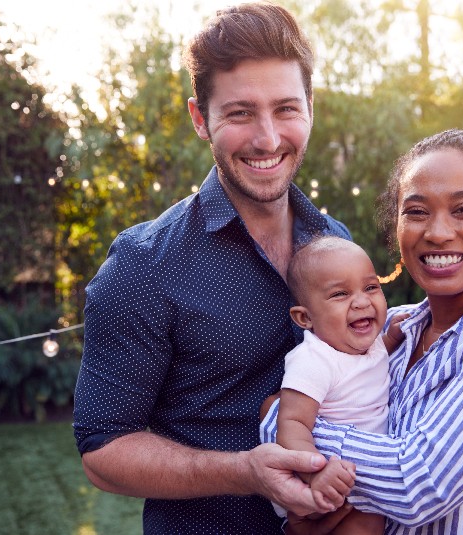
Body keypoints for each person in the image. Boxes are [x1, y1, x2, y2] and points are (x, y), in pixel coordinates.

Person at [73, 3, 354, 534]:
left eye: (286, 109)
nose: (268, 139)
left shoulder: (334, 241)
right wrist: (245, 472)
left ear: (311, 108)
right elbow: (102, 448)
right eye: (241, 113)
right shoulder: (141, 266)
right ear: (200, 119)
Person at [261, 128, 463, 534]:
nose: (437, 232)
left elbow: (418, 484)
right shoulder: (386, 330)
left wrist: (284, 423)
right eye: (416, 211)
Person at [274, 235, 409, 534]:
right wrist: (315, 473)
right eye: (340, 294)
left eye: (371, 287)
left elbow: (367, 365)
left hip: (364, 480)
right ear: (305, 317)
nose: (362, 301)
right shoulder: (314, 360)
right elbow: (292, 423)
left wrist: (392, 338)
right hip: (333, 484)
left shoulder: (369, 345)